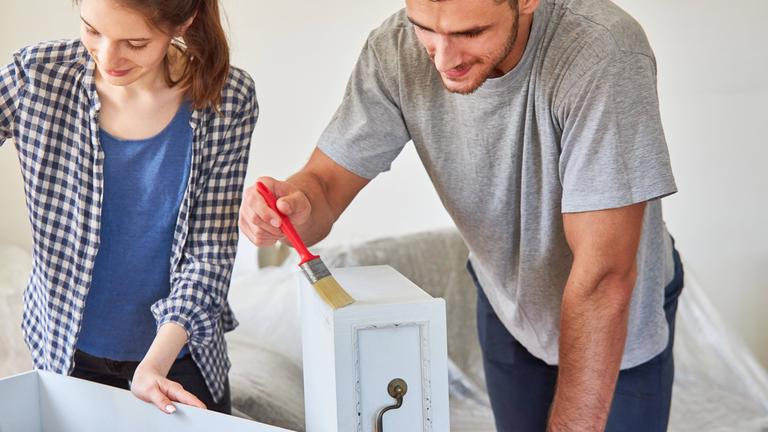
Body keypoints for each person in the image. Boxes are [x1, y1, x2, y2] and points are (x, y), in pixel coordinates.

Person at [239, 0, 682, 430]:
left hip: (614, 309)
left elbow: (603, 278)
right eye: (425, 28)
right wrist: (294, 205)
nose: (443, 58)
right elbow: (325, 187)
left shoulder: (601, 52)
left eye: (470, 33)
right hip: (507, 301)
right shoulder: (396, 49)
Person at [0, 0, 257, 415]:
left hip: (178, 361)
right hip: (66, 356)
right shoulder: (36, 77)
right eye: (92, 30)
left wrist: (154, 365)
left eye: (135, 43)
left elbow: (209, 254)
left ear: (184, 21)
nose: (106, 58)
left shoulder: (227, 99)